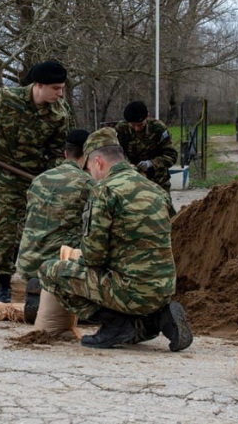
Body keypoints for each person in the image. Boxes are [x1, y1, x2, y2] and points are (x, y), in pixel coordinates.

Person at [38, 127, 192, 351]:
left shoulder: (105, 191)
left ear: (98, 162)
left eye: (89, 167)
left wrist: (73, 260)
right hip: (164, 287)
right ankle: (155, 319)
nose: (90, 174)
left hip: (131, 291)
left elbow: (94, 255)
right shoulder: (154, 189)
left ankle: (116, 325)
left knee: (49, 270)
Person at [0, 60, 72, 303]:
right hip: (7, 178)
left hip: (37, 180)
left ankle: (37, 281)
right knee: (6, 229)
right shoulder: (6, 98)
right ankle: (3, 284)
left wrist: (50, 178)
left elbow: (56, 151)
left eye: (62, 88)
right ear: (38, 85)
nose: (60, 93)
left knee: (40, 232)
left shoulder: (59, 113)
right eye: (56, 88)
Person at [16, 128, 93, 324]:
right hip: (56, 265)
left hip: (28, 261)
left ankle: (39, 288)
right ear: (88, 155)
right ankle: (67, 298)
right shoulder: (88, 183)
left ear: (65, 153)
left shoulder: (39, 179)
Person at [115, 101, 178, 194]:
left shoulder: (158, 129)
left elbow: (171, 156)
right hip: (131, 181)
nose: (137, 128)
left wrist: (151, 163)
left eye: (140, 124)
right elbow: (117, 153)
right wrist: (128, 165)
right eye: (133, 125)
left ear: (147, 116)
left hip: (158, 181)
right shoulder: (121, 129)